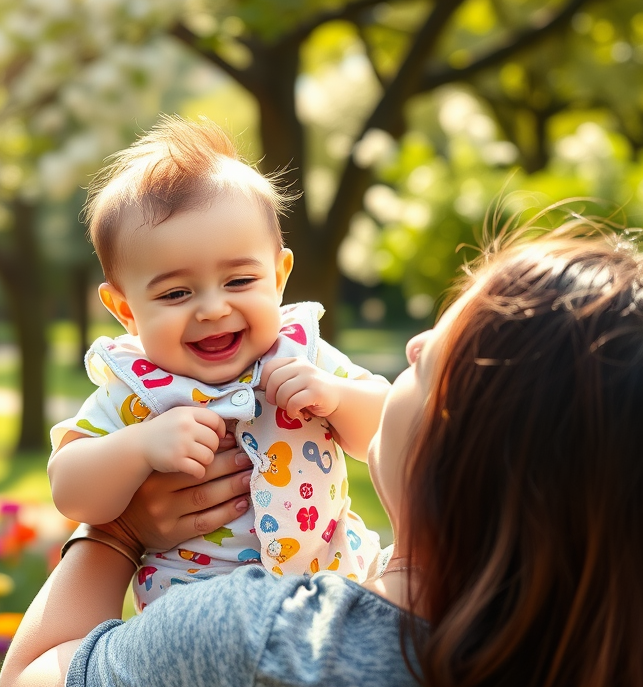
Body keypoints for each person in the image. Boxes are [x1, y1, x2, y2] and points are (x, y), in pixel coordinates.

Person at [0, 225, 643, 687]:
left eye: (435, 358)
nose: (413, 344)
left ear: (475, 455)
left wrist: (115, 533)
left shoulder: (263, 648)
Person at [48, 117, 392, 609]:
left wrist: (338, 399)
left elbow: (389, 432)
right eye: (176, 292)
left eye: (238, 282)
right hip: (197, 627)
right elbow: (70, 490)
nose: (212, 308)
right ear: (126, 311)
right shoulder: (138, 389)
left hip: (333, 590)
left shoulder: (302, 354)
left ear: (278, 277)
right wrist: (139, 446)